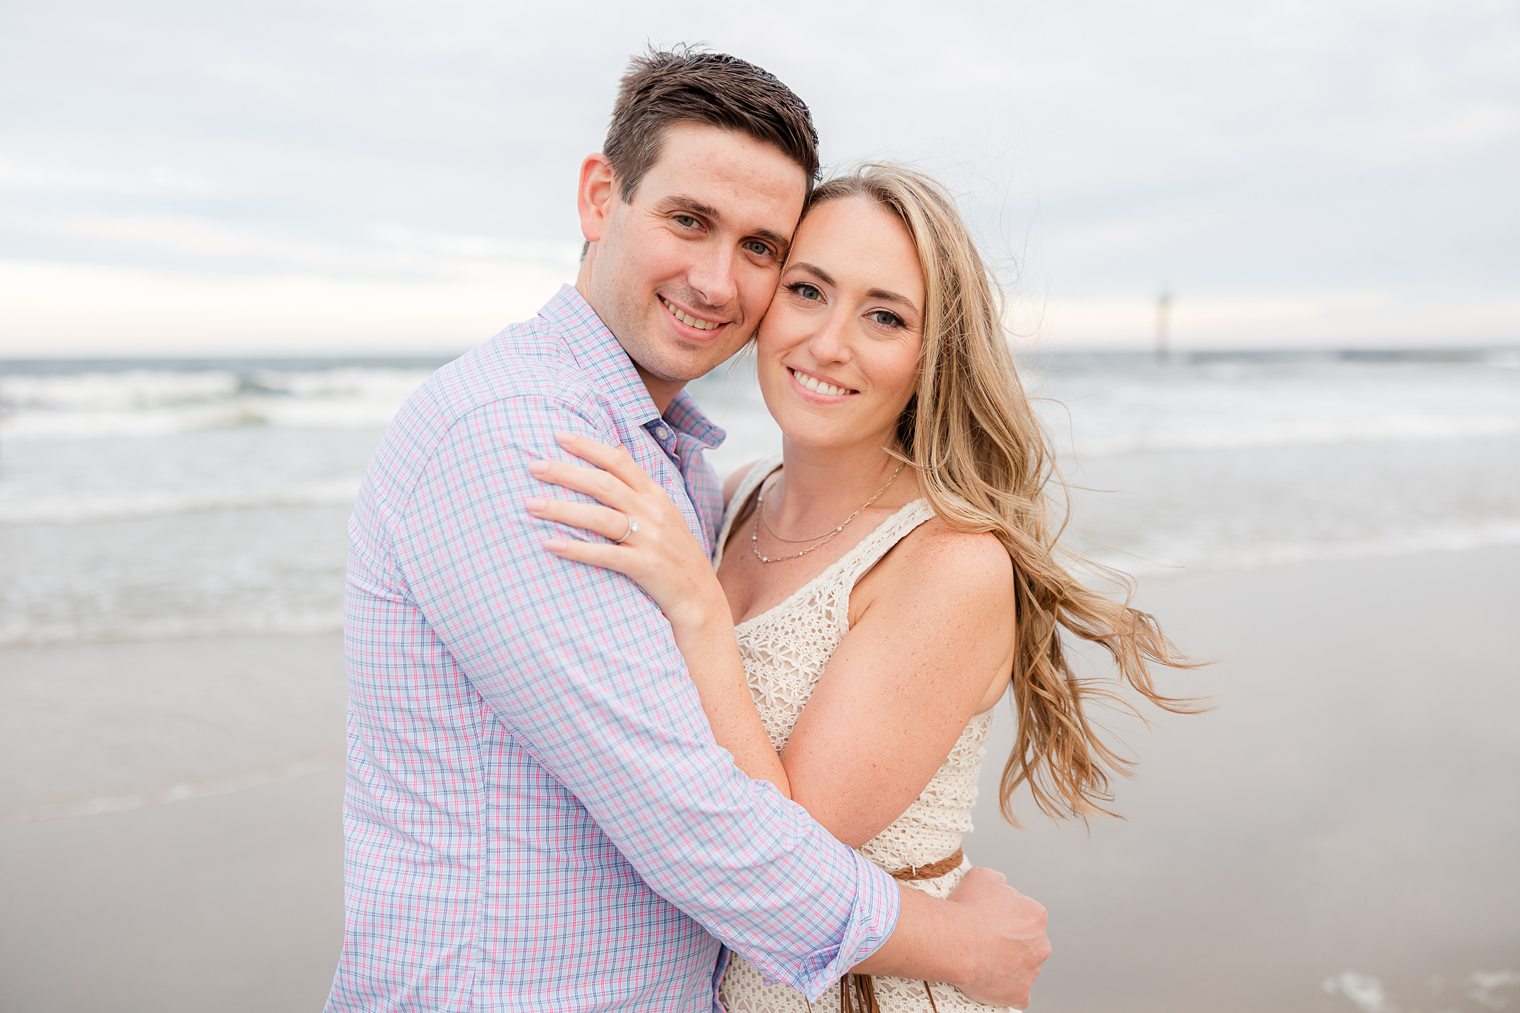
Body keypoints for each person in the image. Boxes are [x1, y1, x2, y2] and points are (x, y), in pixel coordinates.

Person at [326, 49, 1050, 1013]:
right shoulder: (525, 445)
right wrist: (958, 943)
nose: (718, 281)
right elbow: (695, 822)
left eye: (759, 248)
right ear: (599, 197)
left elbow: (719, 810)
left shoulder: (682, 473)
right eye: (689, 221)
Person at [528, 164, 1196, 1010]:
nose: (829, 342)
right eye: (808, 290)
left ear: (932, 353)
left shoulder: (949, 560)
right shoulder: (731, 501)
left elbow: (784, 851)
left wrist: (696, 606)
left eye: (884, 315)